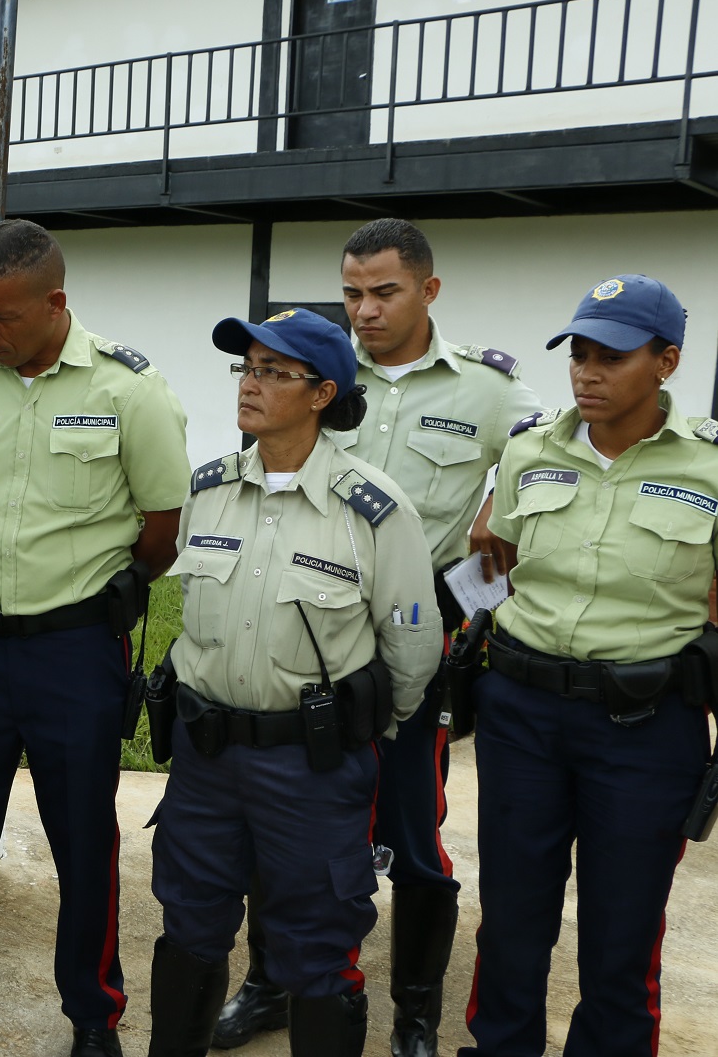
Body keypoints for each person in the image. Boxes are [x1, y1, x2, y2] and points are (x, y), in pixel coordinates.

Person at [213, 219, 541, 1057]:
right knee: (283, 818)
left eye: (383, 291)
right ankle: (272, 982)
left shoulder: (488, 390)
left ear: (428, 290)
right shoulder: (319, 370)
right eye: (353, 291)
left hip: (414, 632)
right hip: (305, 627)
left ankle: (414, 1012)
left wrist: (504, 502)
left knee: (411, 830)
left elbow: (558, 451)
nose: (363, 309)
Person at [0, 218, 192, 1057]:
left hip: (74, 651)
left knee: (81, 836)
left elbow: (161, 528)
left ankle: (93, 1011)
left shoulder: (129, 392)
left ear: (55, 302)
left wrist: (81, 587)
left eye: (3, 318)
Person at [148, 308, 441, 1057]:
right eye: (246, 367)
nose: (250, 383)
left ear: (321, 393)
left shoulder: (373, 511)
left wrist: (355, 729)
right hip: (206, 758)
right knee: (188, 922)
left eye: (273, 372)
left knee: (317, 944)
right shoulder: (209, 488)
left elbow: (412, 646)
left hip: (309, 766)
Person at [465, 275, 716, 1056]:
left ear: (666, 361)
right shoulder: (530, 448)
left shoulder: (710, 466)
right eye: (579, 353)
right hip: (522, 715)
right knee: (511, 917)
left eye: (612, 356)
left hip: (644, 728)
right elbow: (493, 555)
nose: (588, 372)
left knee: (622, 930)